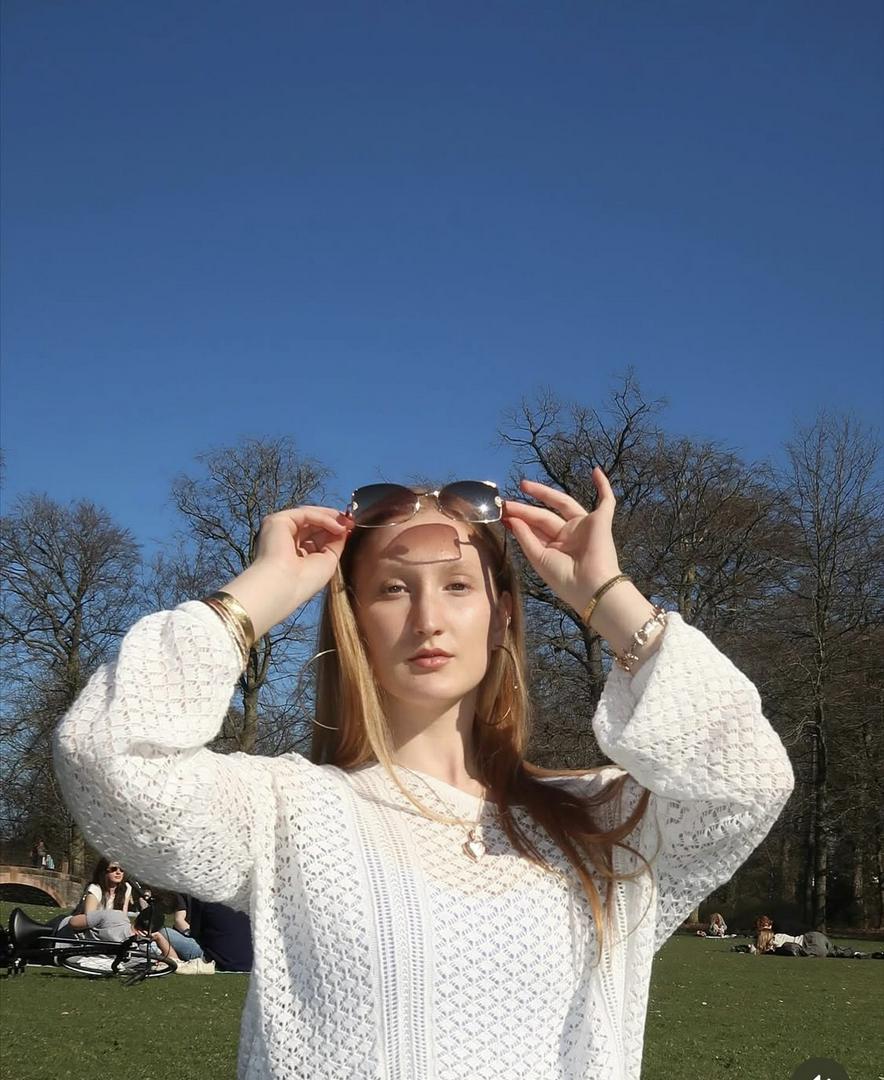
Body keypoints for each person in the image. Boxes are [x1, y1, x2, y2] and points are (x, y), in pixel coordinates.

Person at [52, 471, 796, 1080]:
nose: (427, 619)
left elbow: (746, 779)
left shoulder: (600, 824)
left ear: (503, 615)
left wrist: (606, 594)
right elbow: (107, 760)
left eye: (458, 586)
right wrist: (262, 590)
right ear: (355, 620)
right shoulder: (288, 812)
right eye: (393, 588)